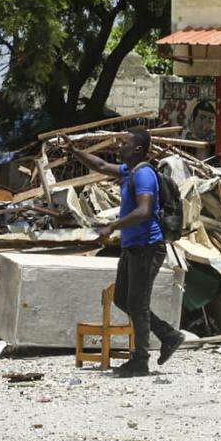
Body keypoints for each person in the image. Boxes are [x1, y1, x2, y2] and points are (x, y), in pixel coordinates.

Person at [61, 128, 185, 378]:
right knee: (122, 299)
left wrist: (112, 226)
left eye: (125, 143)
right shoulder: (131, 171)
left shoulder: (144, 175)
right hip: (133, 247)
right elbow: (102, 165)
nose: (120, 145)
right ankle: (168, 335)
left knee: (137, 304)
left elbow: (145, 211)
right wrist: (75, 152)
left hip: (147, 247)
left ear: (138, 149)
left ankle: (140, 360)